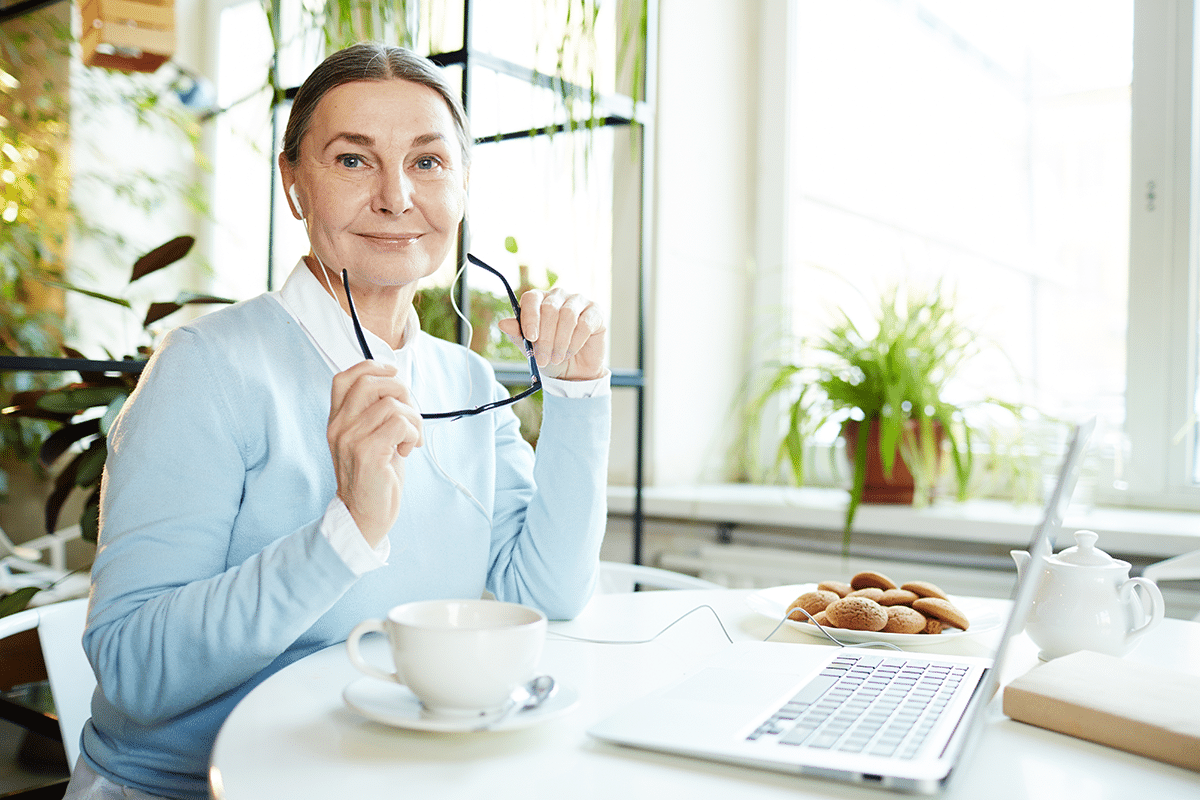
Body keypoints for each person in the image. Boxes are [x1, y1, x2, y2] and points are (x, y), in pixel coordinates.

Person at [63, 42, 611, 800]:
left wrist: (579, 397)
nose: (396, 197)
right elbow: (133, 673)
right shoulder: (205, 367)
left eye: (428, 162)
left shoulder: (466, 379)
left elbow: (544, 595)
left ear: (461, 185)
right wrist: (345, 531)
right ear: (295, 184)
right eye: (353, 160)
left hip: (387, 778)